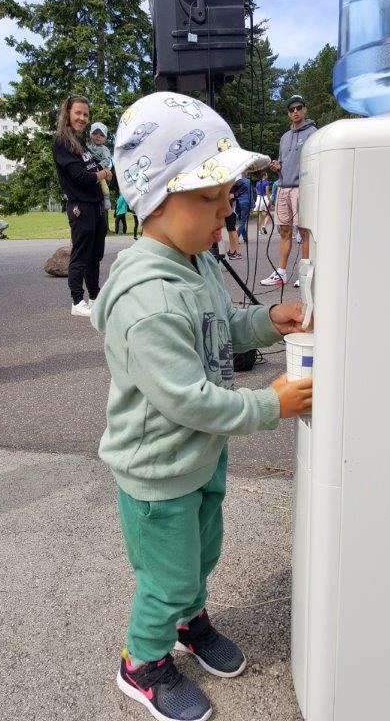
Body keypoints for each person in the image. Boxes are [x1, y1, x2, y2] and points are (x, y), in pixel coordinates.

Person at [91, 91, 312, 721]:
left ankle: (190, 620)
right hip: (159, 472)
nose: (227, 209)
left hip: (199, 457)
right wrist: (270, 404)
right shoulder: (150, 300)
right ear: (156, 201)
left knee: (202, 553)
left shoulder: (196, 262)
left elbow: (222, 326)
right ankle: (142, 662)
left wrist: (268, 319)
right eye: (210, 197)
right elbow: (189, 400)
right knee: (167, 578)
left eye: (227, 195)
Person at [52, 94, 112, 317]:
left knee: (95, 255)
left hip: (97, 205)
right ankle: (77, 302)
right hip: (81, 207)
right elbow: (81, 177)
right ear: (68, 113)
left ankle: (94, 298)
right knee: (81, 255)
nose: (82, 118)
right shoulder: (62, 143)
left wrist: (105, 171)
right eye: (78, 113)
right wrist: (102, 174)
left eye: (86, 114)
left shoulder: (80, 142)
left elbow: (92, 166)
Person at [260, 95, 317, 287]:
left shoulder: (313, 133)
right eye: (292, 109)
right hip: (283, 188)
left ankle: (305, 273)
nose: (295, 111)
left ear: (305, 110)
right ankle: (281, 273)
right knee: (284, 231)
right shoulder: (284, 137)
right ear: (288, 114)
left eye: (299, 108)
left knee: (304, 231)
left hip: (302, 189)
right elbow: (283, 162)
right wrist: (277, 166)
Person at [88, 121, 113, 213]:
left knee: (103, 183)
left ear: (105, 139)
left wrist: (99, 166)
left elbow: (107, 160)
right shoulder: (88, 148)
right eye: (95, 133)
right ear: (91, 135)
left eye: (101, 135)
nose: (98, 136)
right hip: (90, 168)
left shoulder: (104, 149)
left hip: (101, 168)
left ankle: (106, 197)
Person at [232, 171, 254, 244]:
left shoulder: (236, 181)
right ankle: (235, 238)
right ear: (245, 173)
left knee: (241, 221)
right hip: (245, 202)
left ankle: (245, 238)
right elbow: (250, 194)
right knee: (242, 222)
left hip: (237, 202)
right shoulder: (248, 181)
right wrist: (252, 205)